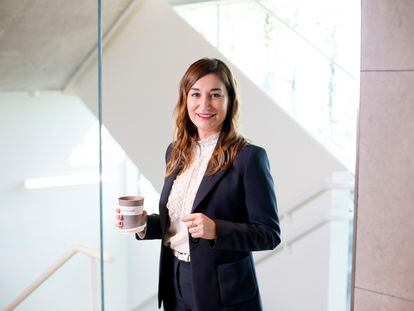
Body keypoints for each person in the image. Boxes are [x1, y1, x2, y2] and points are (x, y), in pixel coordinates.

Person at [116, 58, 281, 311]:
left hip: (224, 293)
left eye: (215, 95)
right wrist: (144, 225)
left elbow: (269, 234)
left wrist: (217, 229)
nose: (204, 104)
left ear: (229, 100)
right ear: (185, 99)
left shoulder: (249, 158)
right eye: (196, 94)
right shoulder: (176, 151)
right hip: (174, 280)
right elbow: (180, 222)